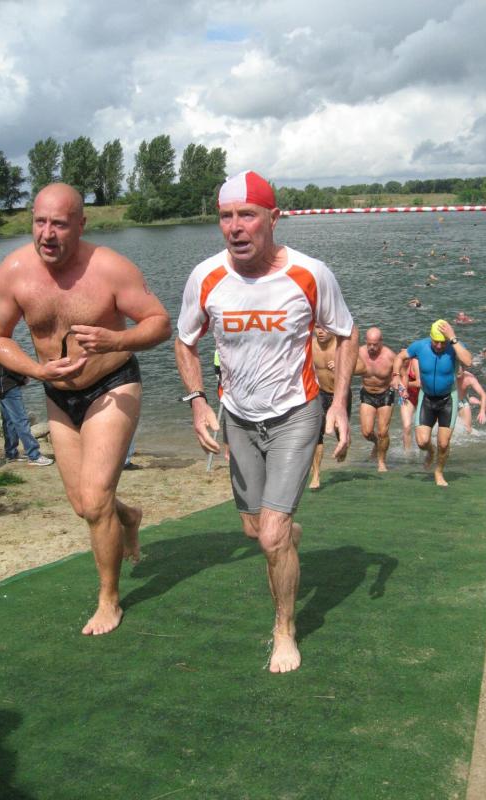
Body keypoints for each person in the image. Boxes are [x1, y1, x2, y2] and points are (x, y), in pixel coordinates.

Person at [175, 170, 357, 673]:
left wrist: (339, 403)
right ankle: (285, 535)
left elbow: (345, 333)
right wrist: (197, 401)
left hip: (296, 412)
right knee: (256, 530)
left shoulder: (309, 273)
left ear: (273, 218)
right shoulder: (206, 276)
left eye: (247, 215)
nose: (235, 227)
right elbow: (184, 341)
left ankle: (284, 630)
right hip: (238, 417)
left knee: (272, 535)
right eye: (226, 217)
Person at [0, 182, 172, 636]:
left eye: (59, 224)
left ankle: (109, 600)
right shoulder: (14, 271)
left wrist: (117, 339)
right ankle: (128, 516)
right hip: (58, 393)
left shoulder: (109, 269)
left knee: (95, 497)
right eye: (39, 222)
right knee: (83, 504)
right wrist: (36, 369)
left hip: (112, 386)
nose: (47, 234)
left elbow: (160, 323)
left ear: (81, 225)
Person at [392, 319, 472, 487]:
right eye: (436, 342)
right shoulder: (420, 346)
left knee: (443, 443)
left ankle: (439, 472)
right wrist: (396, 376)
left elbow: (468, 361)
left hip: (448, 399)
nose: (439, 346)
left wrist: (453, 338)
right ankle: (430, 451)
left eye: (442, 342)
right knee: (422, 442)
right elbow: (399, 357)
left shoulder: (453, 346)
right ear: (431, 338)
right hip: (427, 398)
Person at [308, 326, 359, 490]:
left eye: (324, 328)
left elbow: (362, 366)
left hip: (340, 395)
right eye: (317, 327)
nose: (320, 331)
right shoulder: (309, 345)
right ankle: (316, 475)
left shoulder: (341, 345)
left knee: (340, 431)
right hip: (320, 393)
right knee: (316, 434)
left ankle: (343, 444)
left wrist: (341, 367)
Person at [0, 352, 54, 466]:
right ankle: (34, 455)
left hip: (0, 387)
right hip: (8, 386)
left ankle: (11, 454)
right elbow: (10, 366)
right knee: (21, 420)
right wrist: (23, 378)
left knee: (9, 421)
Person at [357, 327, 396, 472]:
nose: (372, 347)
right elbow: (345, 363)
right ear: (365, 341)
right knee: (367, 432)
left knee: (382, 432)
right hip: (367, 393)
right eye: (369, 344)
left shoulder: (390, 356)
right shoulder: (359, 352)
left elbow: (402, 372)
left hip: (385, 393)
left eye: (375, 344)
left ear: (381, 342)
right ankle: (376, 443)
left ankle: (381, 462)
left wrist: (398, 382)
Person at [456, 367, 486, 433]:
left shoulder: (470, 378)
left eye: (459, 371)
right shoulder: (447, 375)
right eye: (455, 370)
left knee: (468, 430)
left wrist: (482, 411)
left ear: (464, 369)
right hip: (448, 401)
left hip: (462, 401)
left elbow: (483, 395)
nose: (457, 372)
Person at [398, 357, 421, 450]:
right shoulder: (397, 364)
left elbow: (419, 383)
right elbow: (393, 382)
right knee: (406, 426)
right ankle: (407, 454)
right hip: (407, 397)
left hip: (422, 396)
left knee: (421, 429)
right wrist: (401, 388)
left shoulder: (415, 362)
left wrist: (404, 385)